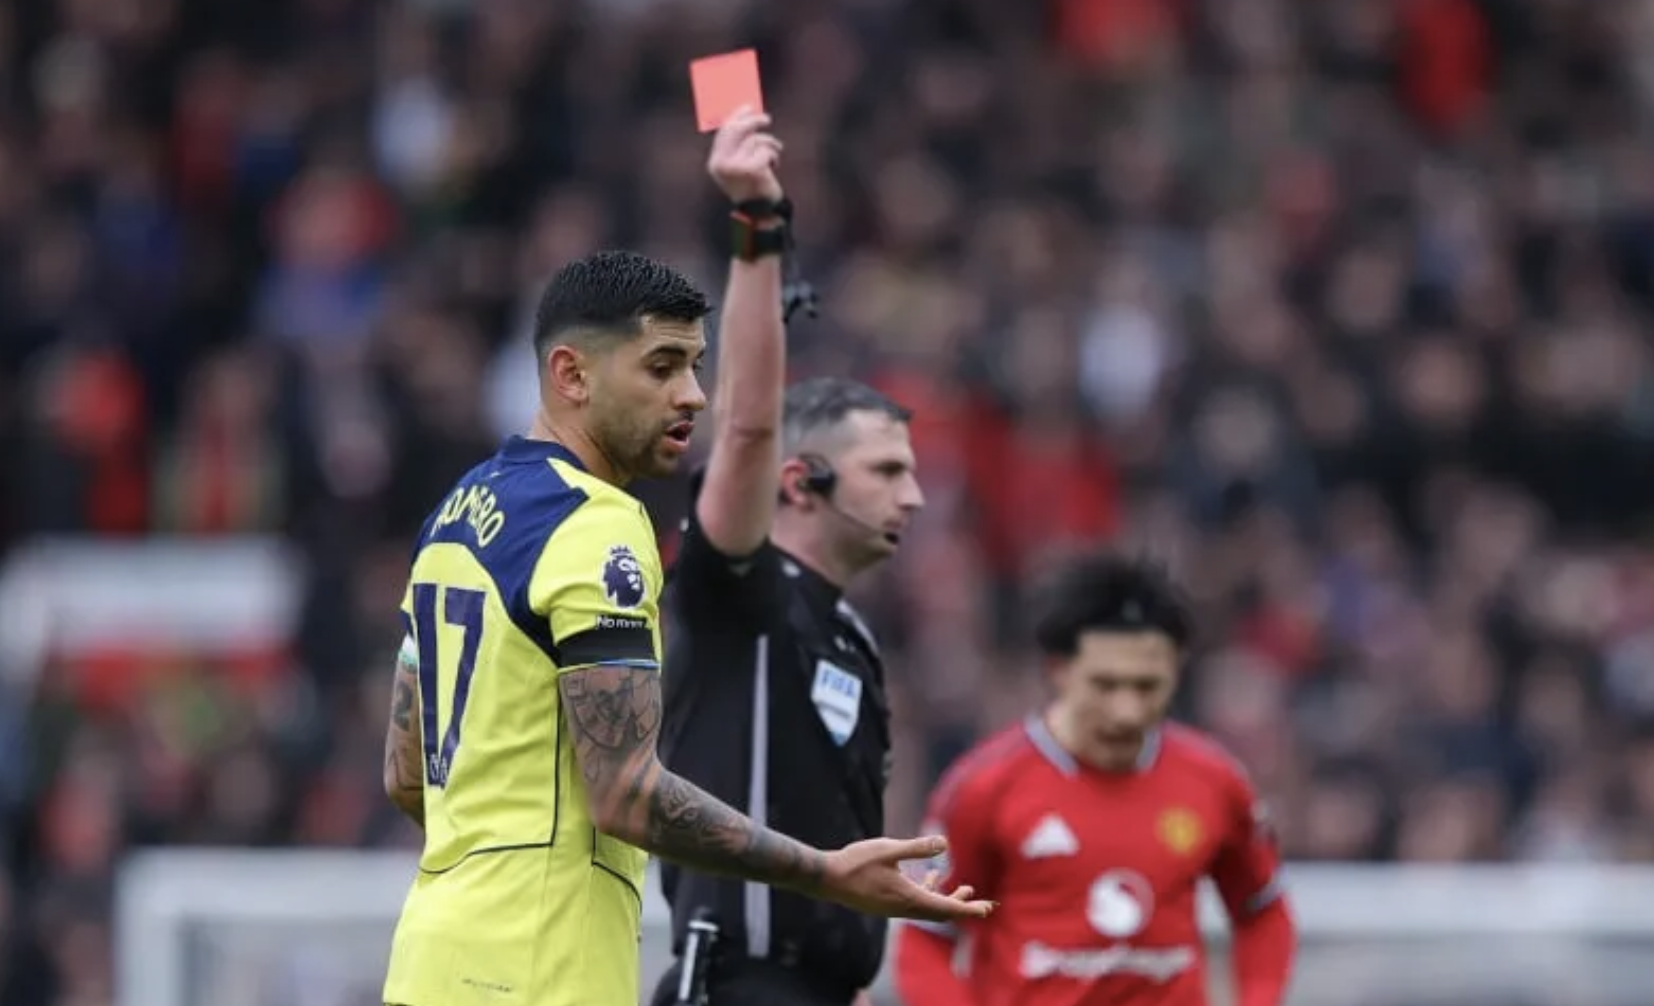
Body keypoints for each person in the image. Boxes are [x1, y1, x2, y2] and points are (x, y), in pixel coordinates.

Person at [377, 119, 991, 1006]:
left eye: (696, 368)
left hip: (434, 956)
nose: (692, 396)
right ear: (571, 375)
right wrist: (824, 872)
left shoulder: (456, 514)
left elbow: (405, 774)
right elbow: (626, 795)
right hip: (537, 966)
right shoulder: (595, 527)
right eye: (663, 367)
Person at [648, 117, 927, 1006]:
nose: (913, 498)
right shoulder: (740, 591)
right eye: (887, 472)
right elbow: (746, 426)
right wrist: (758, 230)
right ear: (799, 482)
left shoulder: (850, 636)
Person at [893, 552, 1297, 1006]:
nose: (1127, 710)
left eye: (1147, 686)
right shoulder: (983, 786)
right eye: (1105, 685)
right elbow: (926, 937)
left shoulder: (1215, 782)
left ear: (1176, 673)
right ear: (1058, 671)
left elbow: (1263, 912)